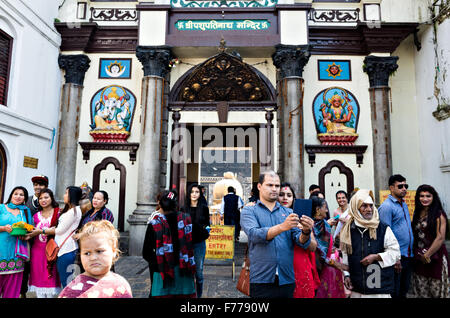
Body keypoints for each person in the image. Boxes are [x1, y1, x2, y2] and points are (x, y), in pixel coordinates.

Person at [240, 171, 314, 298]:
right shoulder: (249, 210)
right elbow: (254, 234)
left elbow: (300, 240)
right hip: (261, 279)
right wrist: (281, 227)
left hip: (286, 278)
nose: (274, 189)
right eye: (269, 185)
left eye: (277, 185)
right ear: (259, 186)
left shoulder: (289, 212)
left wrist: (306, 231)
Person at [340, 189, 401, 298]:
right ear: (356, 207)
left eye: (371, 206)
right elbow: (345, 256)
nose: (369, 209)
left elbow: (395, 253)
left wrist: (377, 257)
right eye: (364, 206)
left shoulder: (382, 228)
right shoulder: (349, 230)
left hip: (379, 289)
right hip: (357, 288)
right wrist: (347, 275)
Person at [142, 190, 196, 298]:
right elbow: (202, 235)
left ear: (159, 203)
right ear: (176, 204)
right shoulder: (186, 219)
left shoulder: (155, 223)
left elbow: (146, 253)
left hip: (163, 274)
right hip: (184, 272)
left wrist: (158, 264)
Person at [59, 220, 132, 298]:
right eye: (87, 253)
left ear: (113, 251)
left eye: (99, 251)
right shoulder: (72, 290)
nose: (93, 258)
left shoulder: (121, 285)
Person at [278, 182, 319, 298]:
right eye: (281, 194)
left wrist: (305, 231)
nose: (285, 198)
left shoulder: (302, 218)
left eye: (289, 195)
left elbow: (313, 247)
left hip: (300, 265)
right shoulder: (271, 218)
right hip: (278, 268)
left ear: (293, 199)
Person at [408, 184, 449, 298]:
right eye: (422, 196)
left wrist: (427, 255)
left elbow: (440, 237)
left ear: (433, 197)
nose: (425, 199)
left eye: (428, 196)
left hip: (436, 258)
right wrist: (420, 256)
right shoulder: (417, 213)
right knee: (421, 290)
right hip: (420, 259)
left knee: (436, 291)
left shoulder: (439, 214)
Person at [38, 186, 83, 288]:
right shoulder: (71, 210)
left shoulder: (74, 211)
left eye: (66, 193)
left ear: (72, 195)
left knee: (66, 281)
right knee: (65, 280)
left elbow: (59, 230)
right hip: (63, 248)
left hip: (66, 249)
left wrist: (42, 230)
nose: (64, 195)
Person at [378, 174, 414, 298]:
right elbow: (384, 235)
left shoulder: (403, 204)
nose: (404, 188)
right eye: (400, 186)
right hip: (396, 258)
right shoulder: (387, 207)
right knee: (395, 292)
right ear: (391, 188)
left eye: (405, 186)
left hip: (408, 255)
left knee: (404, 290)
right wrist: (395, 258)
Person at [26, 189, 61, 298]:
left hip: (52, 251)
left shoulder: (58, 213)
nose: (43, 200)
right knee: (38, 276)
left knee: (50, 276)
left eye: (46, 197)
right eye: (40, 198)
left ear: (51, 198)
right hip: (37, 250)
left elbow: (61, 230)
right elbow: (32, 232)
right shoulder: (36, 216)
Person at [0, 186, 33, 298]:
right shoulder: (1, 207)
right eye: (16, 194)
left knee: (12, 289)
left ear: (25, 198)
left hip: (17, 254)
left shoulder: (25, 211)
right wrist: (4, 228)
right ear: (11, 195)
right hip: (1, 251)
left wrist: (27, 236)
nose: (18, 196)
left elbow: (31, 229)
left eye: (21, 195)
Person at [311, 196, 346, 298]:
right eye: (325, 207)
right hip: (316, 268)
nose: (327, 210)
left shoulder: (324, 225)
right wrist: (334, 263)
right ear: (318, 210)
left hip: (326, 268)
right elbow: (318, 252)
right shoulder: (312, 227)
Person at [183, 184, 210, 298]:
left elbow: (207, 226)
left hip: (199, 243)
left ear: (200, 194)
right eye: (192, 192)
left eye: (197, 192)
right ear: (189, 193)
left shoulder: (204, 208)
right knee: (187, 272)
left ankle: (198, 296)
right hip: (185, 245)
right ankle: (188, 294)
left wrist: (204, 232)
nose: (194, 194)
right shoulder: (183, 209)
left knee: (199, 272)